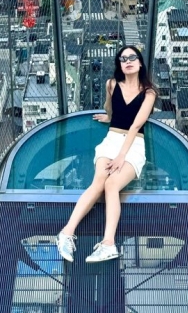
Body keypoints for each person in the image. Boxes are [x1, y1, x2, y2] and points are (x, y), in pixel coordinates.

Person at [57, 45, 156, 264]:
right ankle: (66, 232)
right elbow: (111, 108)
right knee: (99, 181)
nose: (128, 61)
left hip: (134, 145)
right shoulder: (112, 84)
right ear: (120, 64)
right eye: (123, 58)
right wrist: (109, 117)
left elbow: (136, 125)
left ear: (140, 63)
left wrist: (122, 156)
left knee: (112, 185)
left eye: (133, 57)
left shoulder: (149, 93)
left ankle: (108, 244)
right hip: (110, 140)